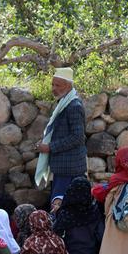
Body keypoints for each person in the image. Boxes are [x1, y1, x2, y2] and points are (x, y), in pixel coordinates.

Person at [34, 67, 87, 201]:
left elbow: (77, 137)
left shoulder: (74, 106)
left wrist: (49, 147)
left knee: (61, 209)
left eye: (58, 85)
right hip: (63, 169)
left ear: (68, 86)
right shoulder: (63, 103)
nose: (54, 88)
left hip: (70, 170)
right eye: (52, 84)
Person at [53, 177, 105, 254]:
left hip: (71, 252)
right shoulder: (94, 211)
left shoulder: (65, 212)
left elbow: (56, 233)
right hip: (91, 252)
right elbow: (100, 234)